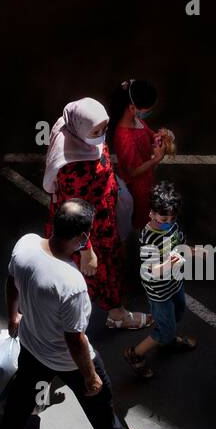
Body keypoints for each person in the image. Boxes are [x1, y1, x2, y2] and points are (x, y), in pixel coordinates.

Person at [0, 198, 151, 429]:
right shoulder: (72, 284)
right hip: (66, 358)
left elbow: (12, 281)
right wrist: (89, 376)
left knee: (21, 397)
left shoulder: (26, 245)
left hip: (31, 344)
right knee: (99, 395)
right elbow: (75, 338)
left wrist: (13, 316)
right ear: (82, 237)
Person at [42, 97, 151, 330]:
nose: (101, 134)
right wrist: (86, 249)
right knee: (100, 269)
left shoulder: (77, 132)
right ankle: (116, 315)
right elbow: (73, 215)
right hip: (91, 230)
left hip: (102, 214)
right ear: (81, 128)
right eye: (96, 130)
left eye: (104, 128)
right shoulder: (73, 169)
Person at [124, 182, 199, 379]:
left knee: (177, 313)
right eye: (164, 218)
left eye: (172, 218)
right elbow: (152, 271)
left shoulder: (172, 226)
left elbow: (179, 244)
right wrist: (174, 260)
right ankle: (135, 354)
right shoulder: (149, 238)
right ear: (152, 213)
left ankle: (167, 339)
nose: (169, 221)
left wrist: (191, 251)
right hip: (160, 292)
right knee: (165, 328)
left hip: (174, 283)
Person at [106, 78, 176, 234]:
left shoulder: (135, 120)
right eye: (148, 110)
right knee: (141, 215)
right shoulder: (124, 137)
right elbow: (132, 172)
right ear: (132, 107)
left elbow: (147, 135)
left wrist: (158, 137)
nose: (149, 113)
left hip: (145, 180)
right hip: (136, 187)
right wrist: (155, 159)